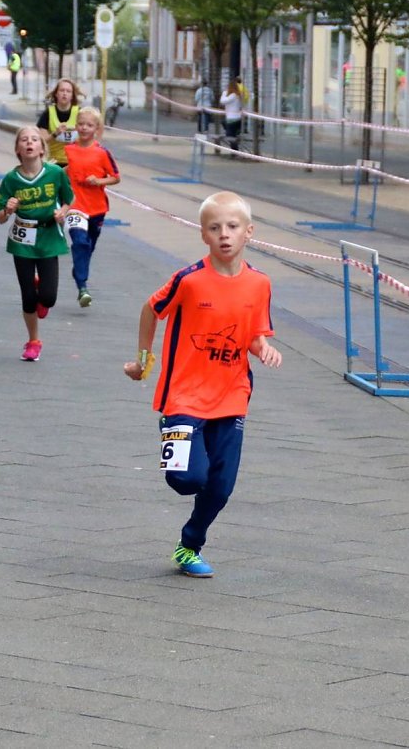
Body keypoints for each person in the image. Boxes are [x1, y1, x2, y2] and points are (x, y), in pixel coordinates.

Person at [123, 191, 282, 578]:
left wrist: (263, 347)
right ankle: (177, 439)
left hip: (232, 395)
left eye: (232, 227)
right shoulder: (189, 281)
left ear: (249, 232)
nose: (224, 235)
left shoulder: (260, 284)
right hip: (184, 394)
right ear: (203, 235)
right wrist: (143, 361)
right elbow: (151, 309)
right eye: (215, 228)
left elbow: (253, 332)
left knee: (221, 488)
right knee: (187, 480)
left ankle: (189, 544)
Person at [0, 125, 74, 362]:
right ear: (17, 148)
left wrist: (62, 212)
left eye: (34, 140)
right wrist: (7, 209)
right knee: (28, 297)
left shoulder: (55, 173)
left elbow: (69, 199)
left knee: (48, 297)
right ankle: (33, 341)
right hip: (23, 239)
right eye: (24, 140)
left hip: (48, 237)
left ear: (41, 148)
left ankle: (41, 289)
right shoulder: (11, 179)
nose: (29, 143)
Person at [64, 106, 120, 308]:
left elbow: (115, 178)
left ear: (97, 128)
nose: (84, 128)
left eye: (89, 125)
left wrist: (99, 181)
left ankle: (79, 271)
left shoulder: (102, 153)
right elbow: (65, 170)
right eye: (81, 124)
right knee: (81, 243)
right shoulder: (69, 149)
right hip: (75, 206)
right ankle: (82, 287)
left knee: (89, 247)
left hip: (97, 208)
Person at [36, 77, 82, 166]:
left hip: (74, 161)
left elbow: (96, 126)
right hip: (54, 162)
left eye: (68, 91)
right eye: (62, 90)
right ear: (56, 94)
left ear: (72, 95)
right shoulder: (48, 113)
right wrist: (55, 133)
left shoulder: (79, 113)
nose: (65, 93)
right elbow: (42, 140)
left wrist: (78, 137)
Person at [219, 76, 249, 150]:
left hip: (232, 118)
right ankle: (234, 148)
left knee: (230, 136)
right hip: (236, 118)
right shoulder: (238, 95)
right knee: (225, 125)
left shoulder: (233, 95)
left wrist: (224, 93)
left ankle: (235, 151)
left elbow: (222, 101)